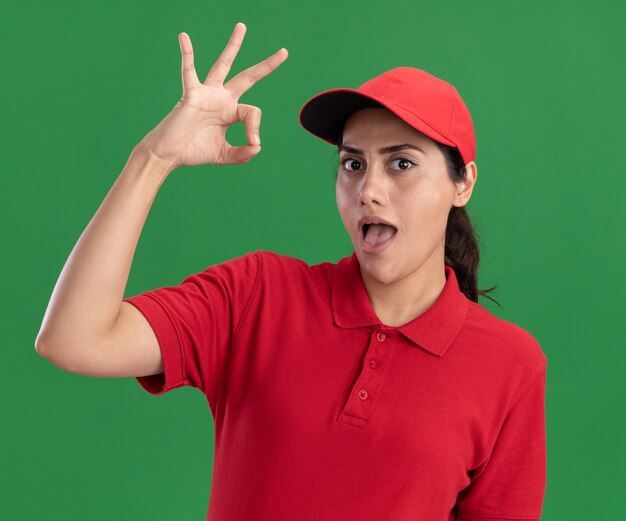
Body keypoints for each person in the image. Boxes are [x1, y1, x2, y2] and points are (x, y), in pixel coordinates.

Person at [34, 22, 548, 521]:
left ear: (463, 184)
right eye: (352, 164)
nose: (368, 190)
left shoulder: (511, 365)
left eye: (402, 164)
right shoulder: (257, 295)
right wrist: (153, 158)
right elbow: (74, 339)